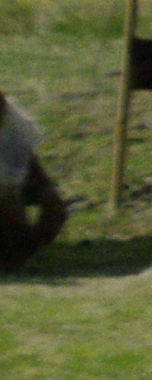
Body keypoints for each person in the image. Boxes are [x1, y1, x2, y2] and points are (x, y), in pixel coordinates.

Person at [0, 85, 68, 269]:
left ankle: (21, 253)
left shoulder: (11, 130)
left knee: (53, 206)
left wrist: (49, 193)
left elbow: (28, 166)